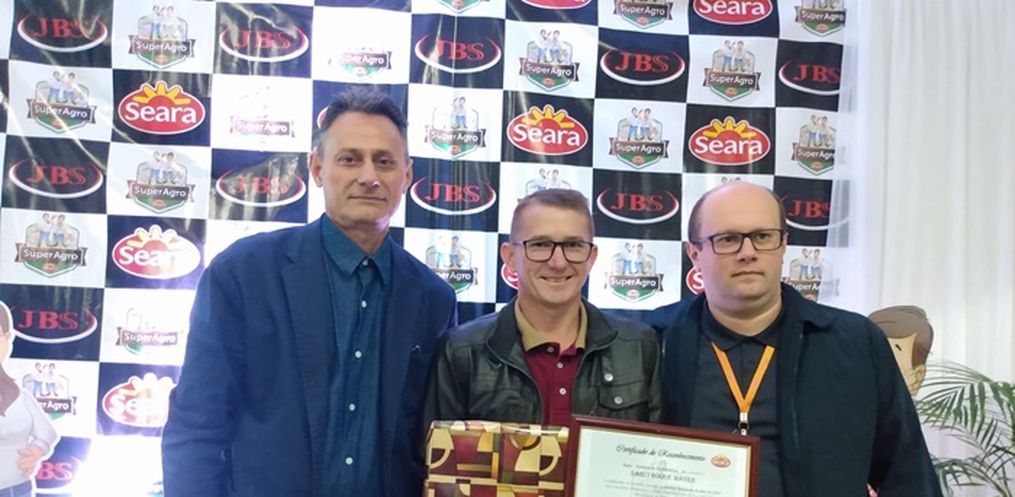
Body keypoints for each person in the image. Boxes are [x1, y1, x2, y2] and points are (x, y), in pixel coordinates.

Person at [162, 88, 458, 497]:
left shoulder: (433, 299)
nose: (368, 176)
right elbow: (196, 427)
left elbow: (431, 446)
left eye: (384, 161)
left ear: (406, 176)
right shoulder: (243, 274)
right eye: (349, 159)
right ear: (317, 168)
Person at [645, 182, 941, 497]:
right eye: (728, 239)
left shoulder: (855, 343)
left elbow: (908, 475)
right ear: (694, 253)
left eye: (763, 237)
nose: (748, 253)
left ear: (783, 244)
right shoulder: (652, 341)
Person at [424, 189, 661, 430]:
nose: (558, 262)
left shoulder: (638, 346)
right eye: (540, 245)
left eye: (573, 245)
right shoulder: (463, 351)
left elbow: (658, 448)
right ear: (509, 257)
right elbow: (438, 450)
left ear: (591, 257)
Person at [0, 301, 60, 497]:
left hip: (16, 489)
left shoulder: (20, 396)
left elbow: (47, 433)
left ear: (8, 339)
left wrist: (37, 449)